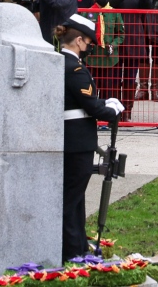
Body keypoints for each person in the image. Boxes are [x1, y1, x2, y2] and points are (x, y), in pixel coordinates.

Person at [58, 14, 123, 262]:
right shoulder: (74, 67)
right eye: (88, 43)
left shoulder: (60, 62)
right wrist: (111, 110)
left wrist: (102, 103)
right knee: (72, 200)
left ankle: (77, 247)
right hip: (77, 141)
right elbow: (89, 105)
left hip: (71, 139)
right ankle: (71, 251)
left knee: (75, 199)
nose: (88, 48)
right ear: (78, 41)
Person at [106, 0, 153, 120]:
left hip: (134, 36)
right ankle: (114, 111)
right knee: (114, 77)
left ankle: (127, 112)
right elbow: (113, 3)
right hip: (115, 37)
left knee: (130, 79)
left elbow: (147, 7)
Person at [83, 0, 124, 104]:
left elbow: (121, 34)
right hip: (92, 59)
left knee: (108, 91)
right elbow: (82, 33)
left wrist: (113, 44)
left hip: (109, 59)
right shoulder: (87, 12)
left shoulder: (114, 13)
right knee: (91, 90)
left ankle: (106, 117)